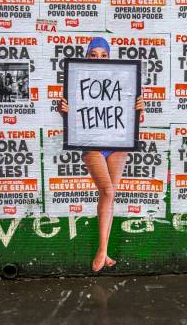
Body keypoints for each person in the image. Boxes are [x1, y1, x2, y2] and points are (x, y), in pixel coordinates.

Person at [58, 37, 144, 273]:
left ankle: (104, 252)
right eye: (93, 54)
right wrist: (63, 110)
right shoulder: (76, 81)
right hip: (91, 142)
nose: (98, 58)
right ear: (86, 56)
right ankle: (102, 250)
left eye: (103, 55)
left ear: (109, 57)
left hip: (117, 142)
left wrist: (139, 109)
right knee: (107, 190)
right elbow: (71, 122)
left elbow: (135, 121)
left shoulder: (123, 81)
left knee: (110, 195)